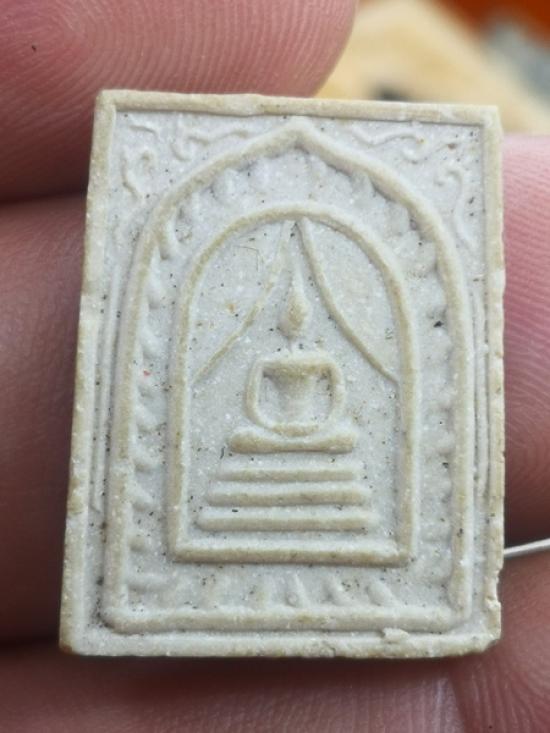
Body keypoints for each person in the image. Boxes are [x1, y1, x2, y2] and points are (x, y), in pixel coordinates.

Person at [0, 1, 548, 730]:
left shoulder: (319, 355)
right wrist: (274, 433)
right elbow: (256, 405)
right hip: (260, 456)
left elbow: (332, 405)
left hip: (316, 454)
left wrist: (305, 433)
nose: (293, 323)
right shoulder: (266, 356)